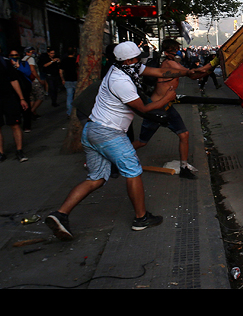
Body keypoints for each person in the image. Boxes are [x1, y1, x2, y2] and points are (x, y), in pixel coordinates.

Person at [45, 41, 199, 241]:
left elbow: (160, 73)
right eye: (137, 58)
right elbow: (143, 109)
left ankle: (60, 215)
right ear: (128, 60)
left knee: (96, 178)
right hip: (109, 133)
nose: (140, 61)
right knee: (133, 171)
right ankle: (141, 218)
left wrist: (187, 73)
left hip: (93, 130)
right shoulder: (120, 80)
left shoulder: (125, 69)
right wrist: (167, 97)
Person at [132, 38, 208, 180]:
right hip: (156, 108)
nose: (178, 52)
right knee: (142, 142)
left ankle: (184, 167)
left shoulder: (172, 63)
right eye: (175, 50)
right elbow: (192, 74)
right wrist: (212, 65)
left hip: (166, 106)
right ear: (168, 52)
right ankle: (113, 158)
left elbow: (193, 75)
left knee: (184, 134)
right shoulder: (170, 64)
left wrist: (207, 69)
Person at [0, 49, 30, 162]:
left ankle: (19, 150)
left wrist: (22, 98)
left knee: (15, 124)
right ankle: (1, 153)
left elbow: (14, 80)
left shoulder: (5, 62)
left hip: (9, 97)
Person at [8, 49, 33, 133]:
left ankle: (27, 125)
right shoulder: (7, 64)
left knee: (26, 106)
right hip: (12, 89)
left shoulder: (23, 63)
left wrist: (18, 67)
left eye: (16, 55)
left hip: (24, 87)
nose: (14, 57)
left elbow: (28, 72)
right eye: (12, 55)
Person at [23, 47, 45, 119]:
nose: (32, 53)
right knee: (41, 96)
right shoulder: (31, 59)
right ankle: (31, 111)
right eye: (31, 51)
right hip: (34, 81)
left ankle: (33, 113)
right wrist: (39, 79)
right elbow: (32, 70)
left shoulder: (23, 59)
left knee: (31, 98)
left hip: (27, 81)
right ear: (27, 52)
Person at [59, 47, 79, 117]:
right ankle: (77, 112)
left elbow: (61, 71)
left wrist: (62, 79)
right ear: (74, 53)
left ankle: (69, 112)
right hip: (76, 79)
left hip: (67, 79)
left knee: (69, 96)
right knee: (77, 96)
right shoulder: (76, 60)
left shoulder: (64, 60)